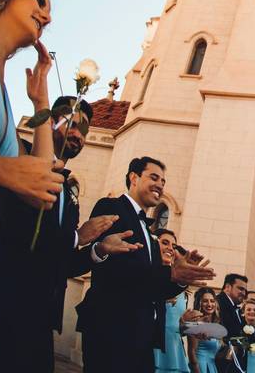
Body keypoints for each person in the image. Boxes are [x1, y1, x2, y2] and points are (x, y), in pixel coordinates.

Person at [0, 89, 133, 372]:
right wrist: (78, 236)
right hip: (3, 303)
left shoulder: (68, 192)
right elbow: (22, 232)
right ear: (49, 122)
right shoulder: (22, 160)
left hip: (41, 317)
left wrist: (98, 250)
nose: (78, 135)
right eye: (72, 124)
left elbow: (60, 261)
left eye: (84, 131)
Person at [0, 0, 66, 368]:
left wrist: (41, 101)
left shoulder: (0, 95)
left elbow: (37, 177)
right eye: (39, 0)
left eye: (50, 10)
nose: (46, 15)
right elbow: (7, 171)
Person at [76, 156, 216, 372]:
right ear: (134, 177)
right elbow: (115, 270)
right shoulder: (111, 207)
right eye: (154, 177)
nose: (160, 184)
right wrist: (169, 274)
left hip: (142, 336)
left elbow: (154, 287)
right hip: (111, 328)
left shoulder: (150, 235)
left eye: (163, 181)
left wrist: (179, 279)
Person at [155, 229, 200, 372]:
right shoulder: (150, 276)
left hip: (174, 348)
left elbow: (177, 326)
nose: (170, 250)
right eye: (165, 243)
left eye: (173, 247)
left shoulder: (182, 291)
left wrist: (187, 327)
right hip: (152, 346)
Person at [188, 287, 222, 373]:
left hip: (212, 366)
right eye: (205, 301)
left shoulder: (215, 324)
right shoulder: (195, 323)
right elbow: (192, 352)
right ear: (199, 303)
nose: (209, 304)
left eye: (212, 301)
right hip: (200, 367)